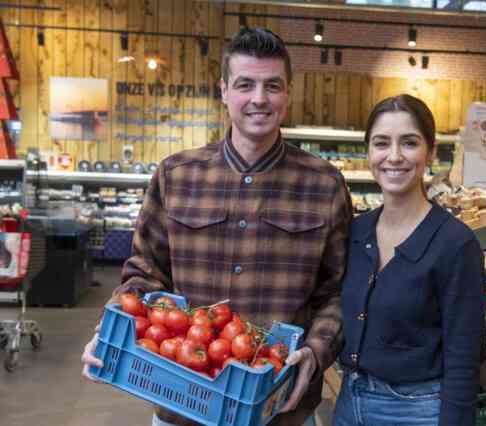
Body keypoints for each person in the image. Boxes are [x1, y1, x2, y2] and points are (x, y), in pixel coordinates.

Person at [81, 27, 352, 426]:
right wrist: (113, 324)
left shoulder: (324, 184)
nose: (259, 99)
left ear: (288, 93)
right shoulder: (176, 175)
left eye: (272, 86)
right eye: (245, 85)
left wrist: (315, 350)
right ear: (224, 91)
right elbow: (144, 273)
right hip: (182, 403)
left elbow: (339, 291)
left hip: (279, 411)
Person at [333, 95, 486, 426]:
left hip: (416, 410)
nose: (394, 156)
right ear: (369, 152)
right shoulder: (356, 232)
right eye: (381, 143)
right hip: (348, 402)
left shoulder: (455, 243)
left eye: (409, 143)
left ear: (431, 152)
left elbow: (464, 354)